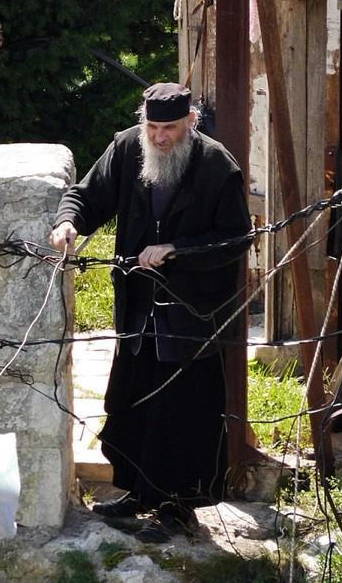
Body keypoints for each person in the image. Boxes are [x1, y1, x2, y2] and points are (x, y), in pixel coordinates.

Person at [50, 82, 252, 542]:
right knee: (133, 399)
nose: (161, 138)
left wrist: (176, 250)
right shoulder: (126, 148)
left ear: (190, 123)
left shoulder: (216, 164)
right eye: (154, 127)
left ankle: (179, 508)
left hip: (191, 315)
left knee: (183, 413)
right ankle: (139, 494)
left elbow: (236, 238)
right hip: (139, 309)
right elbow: (88, 195)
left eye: (171, 129)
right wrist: (68, 223)